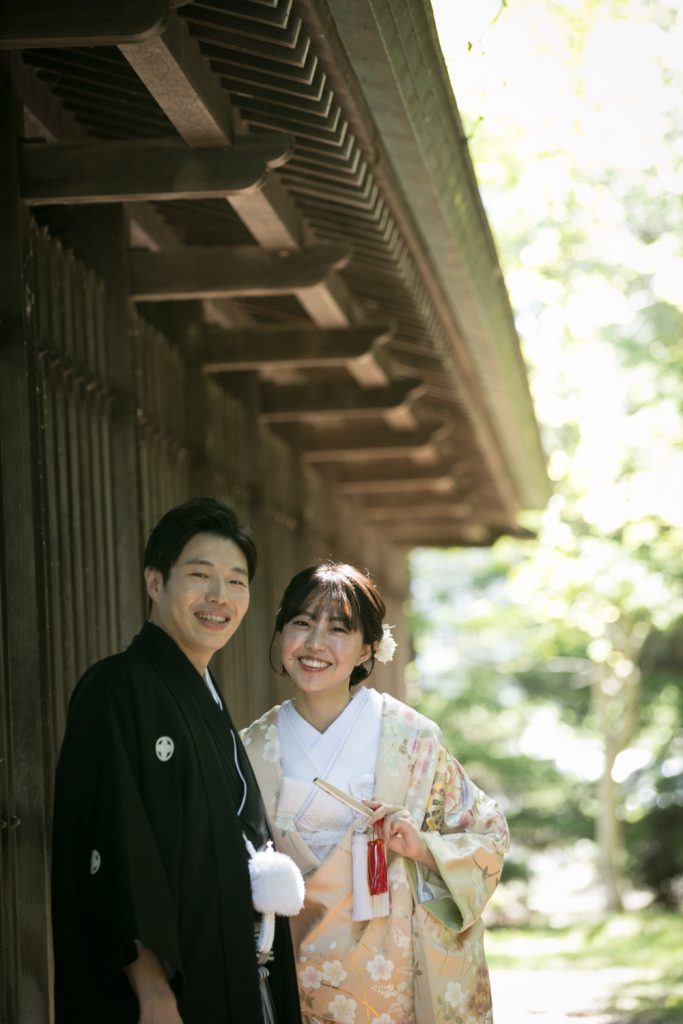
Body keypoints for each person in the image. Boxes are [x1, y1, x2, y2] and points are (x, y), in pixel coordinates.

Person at [51, 497, 302, 1024]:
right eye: (200, 575)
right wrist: (153, 990)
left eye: (236, 581)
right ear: (154, 582)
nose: (220, 596)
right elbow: (112, 842)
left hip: (236, 970)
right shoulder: (117, 688)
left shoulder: (206, 695)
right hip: (168, 994)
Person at [242, 561, 510, 1024]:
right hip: (288, 970)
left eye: (338, 629)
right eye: (301, 623)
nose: (315, 644)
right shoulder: (250, 747)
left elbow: (488, 835)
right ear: (281, 631)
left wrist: (422, 846)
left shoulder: (411, 740)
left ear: (369, 646)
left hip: (388, 977)